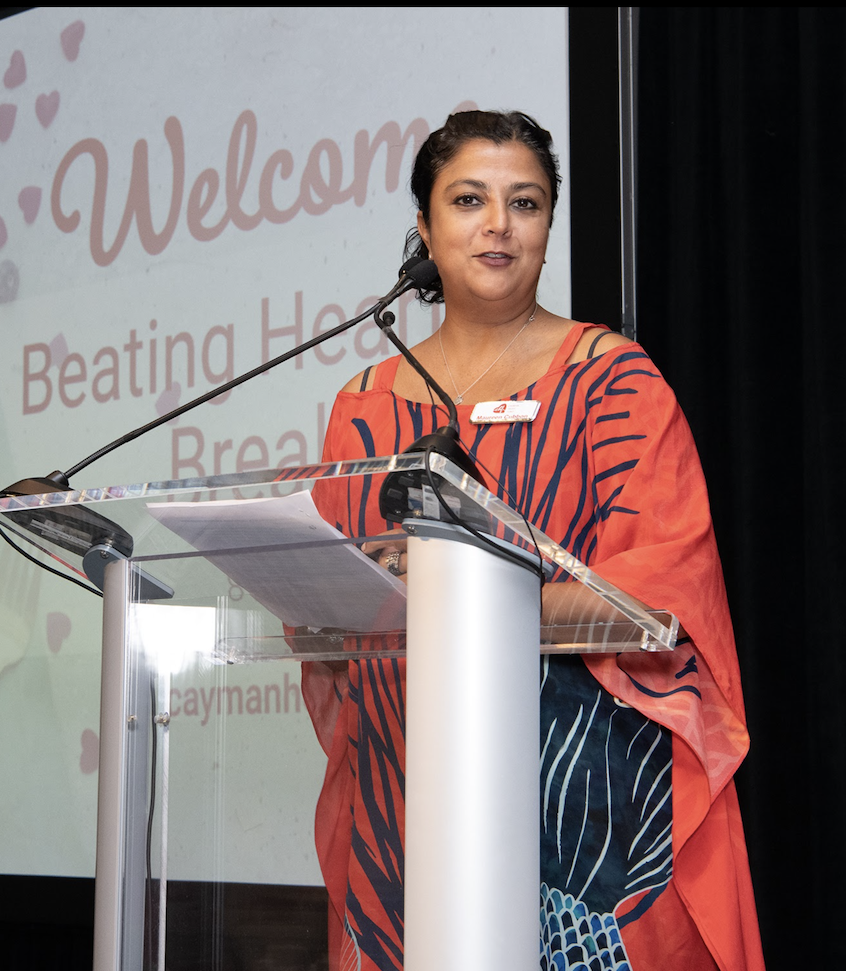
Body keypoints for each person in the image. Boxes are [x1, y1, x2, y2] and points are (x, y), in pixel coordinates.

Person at [302, 110, 764, 971]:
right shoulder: (363, 406)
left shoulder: (612, 382)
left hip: (590, 834)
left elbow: (656, 599)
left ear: (549, 227)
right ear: (423, 229)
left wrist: (457, 592)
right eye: (468, 200)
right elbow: (327, 613)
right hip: (408, 809)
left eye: (525, 203)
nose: (498, 225)